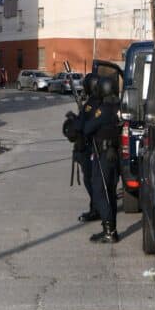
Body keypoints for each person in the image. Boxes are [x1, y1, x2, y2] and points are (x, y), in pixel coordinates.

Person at [83, 75, 122, 243]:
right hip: (115, 154)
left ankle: (109, 231)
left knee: (99, 190)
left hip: (104, 155)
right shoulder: (119, 106)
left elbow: (88, 128)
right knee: (110, 192)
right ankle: (110, 228)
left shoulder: (104, 109)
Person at [70, 73, 101, 224]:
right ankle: (95, 207)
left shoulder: (92, 103)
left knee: (90, 180)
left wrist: (75, 120)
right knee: (91, 180)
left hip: (90, 147)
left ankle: (96, 209)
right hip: (92, 146)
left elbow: (84, 125)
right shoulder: (95, 102)